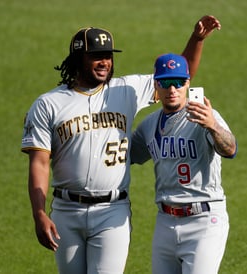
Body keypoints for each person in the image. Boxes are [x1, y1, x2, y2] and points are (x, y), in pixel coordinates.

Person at [21, 16, 221, 274]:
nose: (105, 62)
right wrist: (39, 212)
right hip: (66, 210)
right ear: (78, 59)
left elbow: (177, 76)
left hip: (112, 212)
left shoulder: (126, 89)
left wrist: (197, 39)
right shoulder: (48, 104)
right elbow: (39, 162)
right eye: (96, 56)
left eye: (108, 55)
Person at [131, 53, 237, 274]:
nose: (172, 89)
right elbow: (123, 157)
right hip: (165, 221)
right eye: (166, 82)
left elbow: (230, 149)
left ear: (188, 83)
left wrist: (212, 126)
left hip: (205, 220)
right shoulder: (149, 125)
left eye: (179, 82)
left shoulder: (204, 116)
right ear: (156, 86)